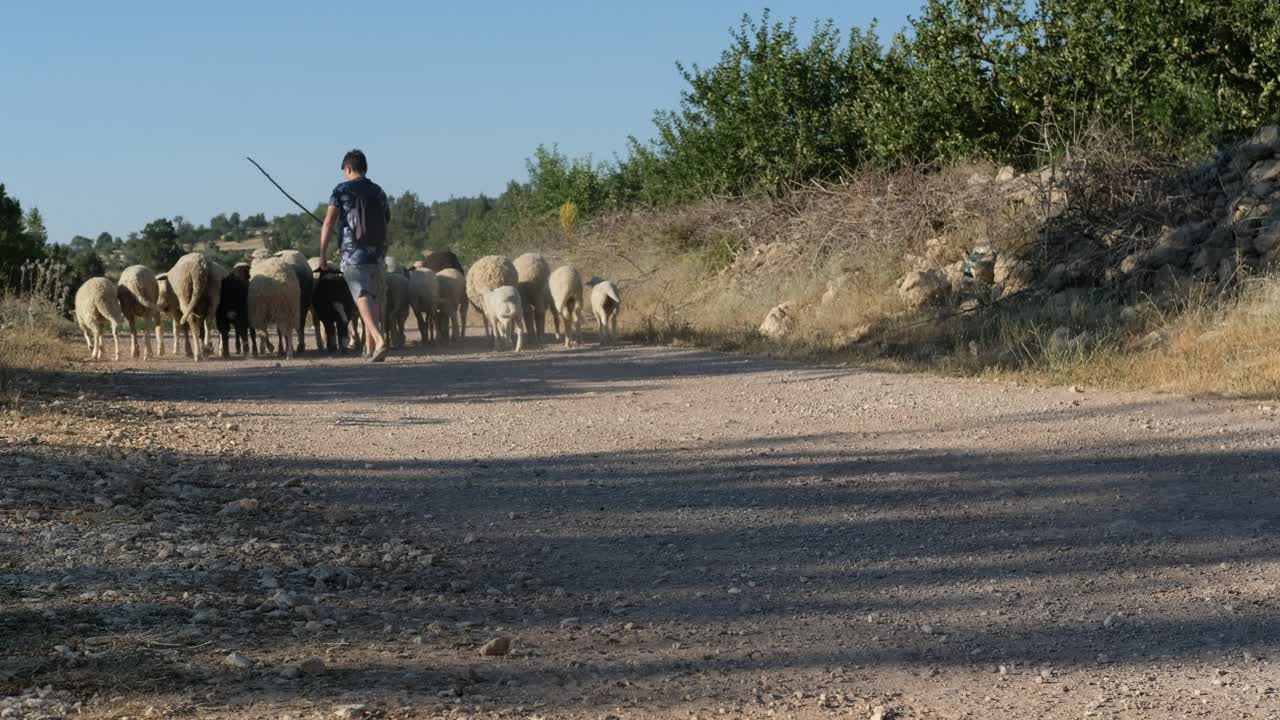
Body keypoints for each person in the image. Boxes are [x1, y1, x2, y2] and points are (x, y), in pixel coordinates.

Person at [319, 149, 390, 362]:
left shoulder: (341, 189)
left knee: (361, 297)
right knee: (373, 298)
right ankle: (369, 349)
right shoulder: (379, 191)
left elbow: (329, 222)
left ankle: (379, 340)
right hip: (377, 254)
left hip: (353, 254)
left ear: (348, 168)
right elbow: (386, 221)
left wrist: (322, 254)